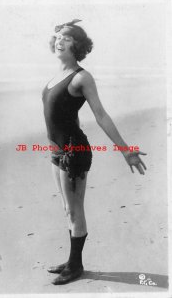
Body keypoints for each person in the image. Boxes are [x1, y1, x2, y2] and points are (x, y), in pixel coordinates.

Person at [42, 19, 147, 285]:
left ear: (77, 45)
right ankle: (71, 260)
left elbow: (101, 115)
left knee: (75, 211)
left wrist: (126, 151)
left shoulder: (81, 77)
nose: (59, 40)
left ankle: (75, 266)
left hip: (73, 153)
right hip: (57, 152)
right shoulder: (56, 76)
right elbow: (68, 116)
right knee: (68, 209)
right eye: (57, 36)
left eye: (66, 38)